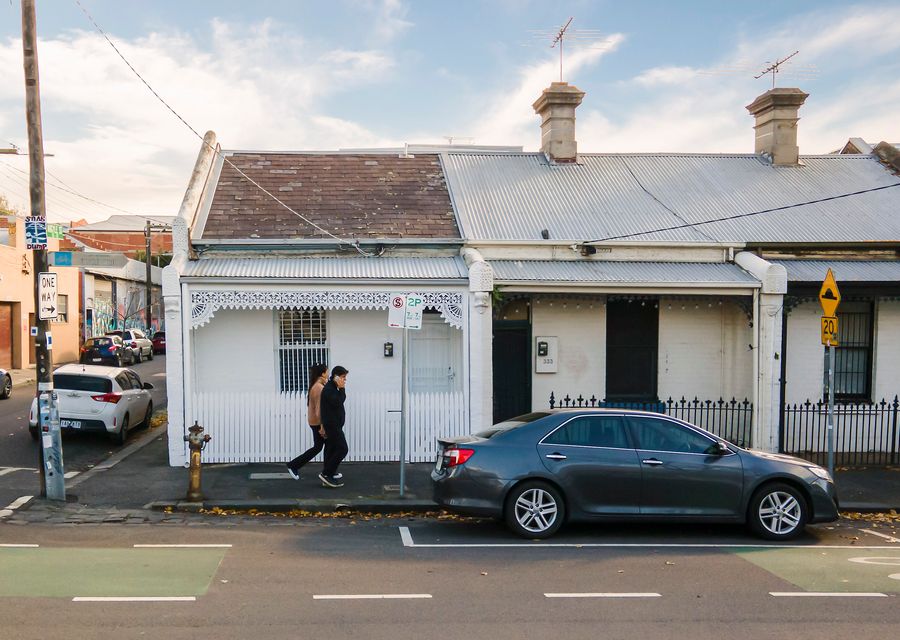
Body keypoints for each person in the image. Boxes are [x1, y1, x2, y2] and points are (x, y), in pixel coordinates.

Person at [286, 363, 330, 480]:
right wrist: (322, 426)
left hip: (314, 421)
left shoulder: (316, 385)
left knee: (326, 446)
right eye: (327, 371)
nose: (328, 373)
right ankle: (293, 465)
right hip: (317, 422)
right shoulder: (319, 388)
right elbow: (319, 409)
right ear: (322, 373)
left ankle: (329, 471)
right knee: (319, 447)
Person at [319, 365, 349, 488]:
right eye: (343, 377)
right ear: (336, 377)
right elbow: (338, 401)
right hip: (332, 425)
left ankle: (329, 473)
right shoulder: (329, 389)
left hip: (334, 424)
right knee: (343, 449)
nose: (344, 380)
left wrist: (340, 388)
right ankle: (326, 474)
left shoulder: (332, 388)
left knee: (331, 449)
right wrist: (342, 389)